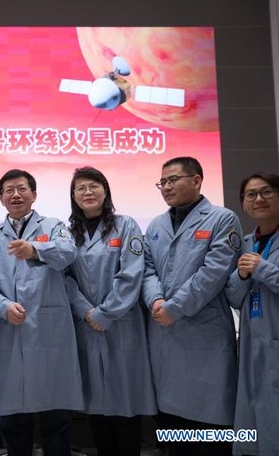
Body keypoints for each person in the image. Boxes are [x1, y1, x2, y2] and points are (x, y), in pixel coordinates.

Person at [142, 156, 241, 456]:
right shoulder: (156, 225)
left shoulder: (222, 219)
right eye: (162, 182)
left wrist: (175, 307)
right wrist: (156, 300)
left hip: (204, 333)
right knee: (174, 431)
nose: (166, 187)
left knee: (209, 430)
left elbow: (214, 273)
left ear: (197, 180)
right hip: (163, 332)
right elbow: (147, 270)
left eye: (173, 180)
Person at [0, 169, 83, 456]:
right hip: (12, 328)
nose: (15, 195)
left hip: (50, 330)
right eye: (9, 190)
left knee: (55, 416)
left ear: (34, 195)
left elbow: (68, 253)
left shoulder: (54, 225)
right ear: (1, 198)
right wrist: (3, 306)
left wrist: (35, 249)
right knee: (13, 418)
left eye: (22, 189)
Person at [65, 166, 156, 456]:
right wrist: (86, 311)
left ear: (106, 191)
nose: (88, 192)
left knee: (126, 406)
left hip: (122, 323)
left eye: (94, 186)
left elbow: (132, 274)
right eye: (81, 188)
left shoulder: (126, 225)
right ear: (73, 196)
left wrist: (105, 313)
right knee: (97, 408)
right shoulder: (67, 234)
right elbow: (65, 278)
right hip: (87, 325)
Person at [224, 172, 279, 455]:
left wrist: (262, 268)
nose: (259, 199)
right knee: (254, 415)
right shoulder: (245, 243)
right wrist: (243, 275)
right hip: (252, 343)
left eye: (267, 192)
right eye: (251, 195)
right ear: (243, 204)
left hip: (273, 338)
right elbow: (233, 297)